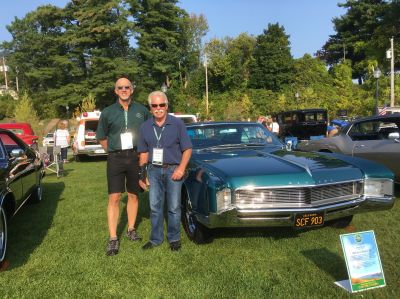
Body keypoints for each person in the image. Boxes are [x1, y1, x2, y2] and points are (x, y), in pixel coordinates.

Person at [96, 77, 151, 256]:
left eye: (127, 87)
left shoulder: (142, 110)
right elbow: (102, 136)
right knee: (115, 197)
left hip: (136, 157)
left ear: (132, 89)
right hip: (116, 158)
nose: (124, 89)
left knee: (134, 195)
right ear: (116, 90)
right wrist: (113, 151)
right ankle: (113, 238)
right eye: (120, 87)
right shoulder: (108, 112)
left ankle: (131, 228)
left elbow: (149, 134)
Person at [138, 91, 192, 251]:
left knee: (174, 207)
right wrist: (142, 174)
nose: (158, 108)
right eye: (154, 105)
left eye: (162, 105)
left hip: (173, 170)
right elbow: (143, 152)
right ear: (150, 108)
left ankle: (174, 239)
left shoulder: (177, 124)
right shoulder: (145, 126)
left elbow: (187, 149)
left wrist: (181, 168)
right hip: (153, 171)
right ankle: (156, 239)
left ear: (167, 106)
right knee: (155, 206)